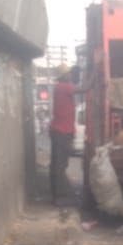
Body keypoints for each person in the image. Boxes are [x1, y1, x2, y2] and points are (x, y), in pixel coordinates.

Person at [49, 67, 81, 204]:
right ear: (64, 76)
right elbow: (82, 89)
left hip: (59, 131)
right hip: (62, 131)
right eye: (68, 74)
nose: (70, 76)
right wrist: (93, 79)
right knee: (60, 164)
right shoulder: (64, 87)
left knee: (58, 163)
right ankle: (60, 197)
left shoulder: (59, 87)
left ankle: (57, 194)